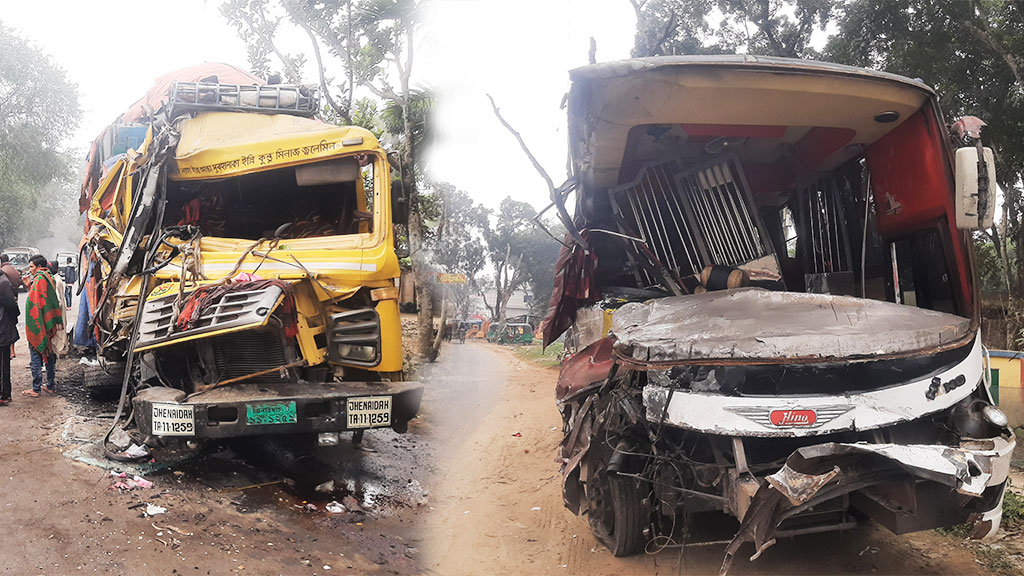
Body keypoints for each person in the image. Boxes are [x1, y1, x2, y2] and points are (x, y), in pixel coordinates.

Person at [22, 255, 63, 397]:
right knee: (48, 354)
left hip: (38, 325)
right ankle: (50, 385)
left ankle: (36, 388)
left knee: (35, 355)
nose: (30, 270)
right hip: (47, 324)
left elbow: (34, 304)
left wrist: (30, 286)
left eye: (32, 267)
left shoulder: (39, 279)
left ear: (39, 267)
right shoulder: (49, 277)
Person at [0, 271, 18, 405]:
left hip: (2, 328)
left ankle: (4, 394)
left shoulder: (3, 282)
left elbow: (11, 306)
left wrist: (13, 319)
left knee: (3, 364)